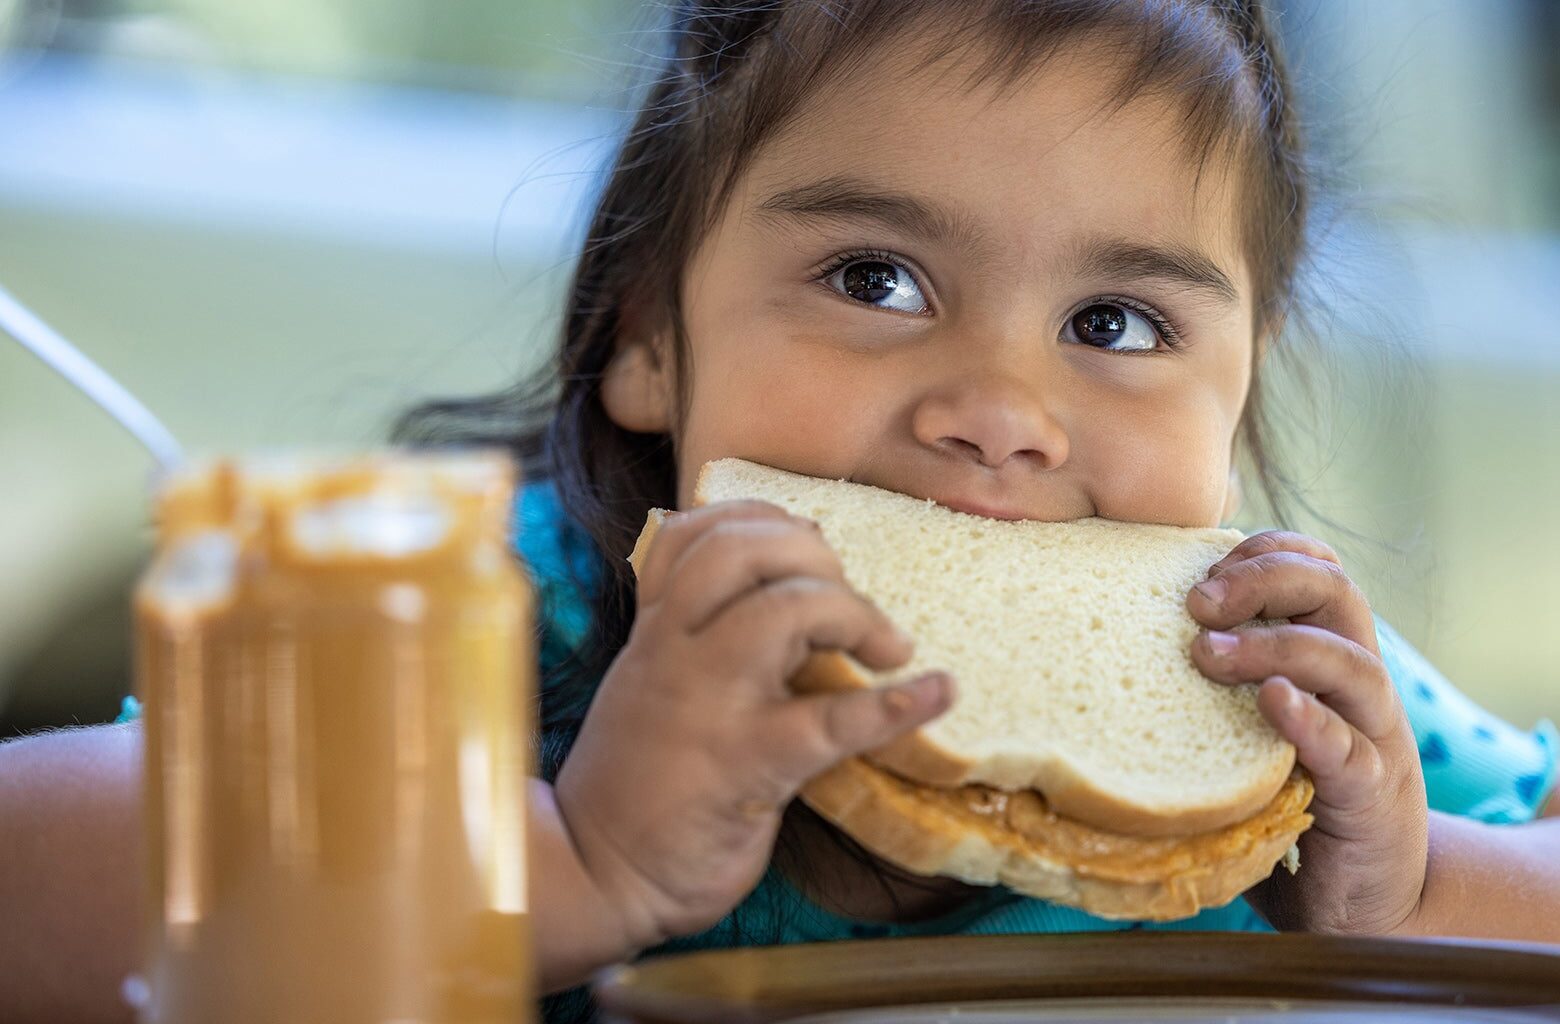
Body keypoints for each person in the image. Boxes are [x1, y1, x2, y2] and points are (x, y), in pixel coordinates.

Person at [1, 3, 1556, 1023]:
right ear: (648, 342)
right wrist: (568, 860)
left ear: (1243, 381)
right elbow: (29, 886)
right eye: (876, 280)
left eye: (1119, 325)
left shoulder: (1275, 699)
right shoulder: (492, 609)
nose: (1001, 414)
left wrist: (1416, 896)